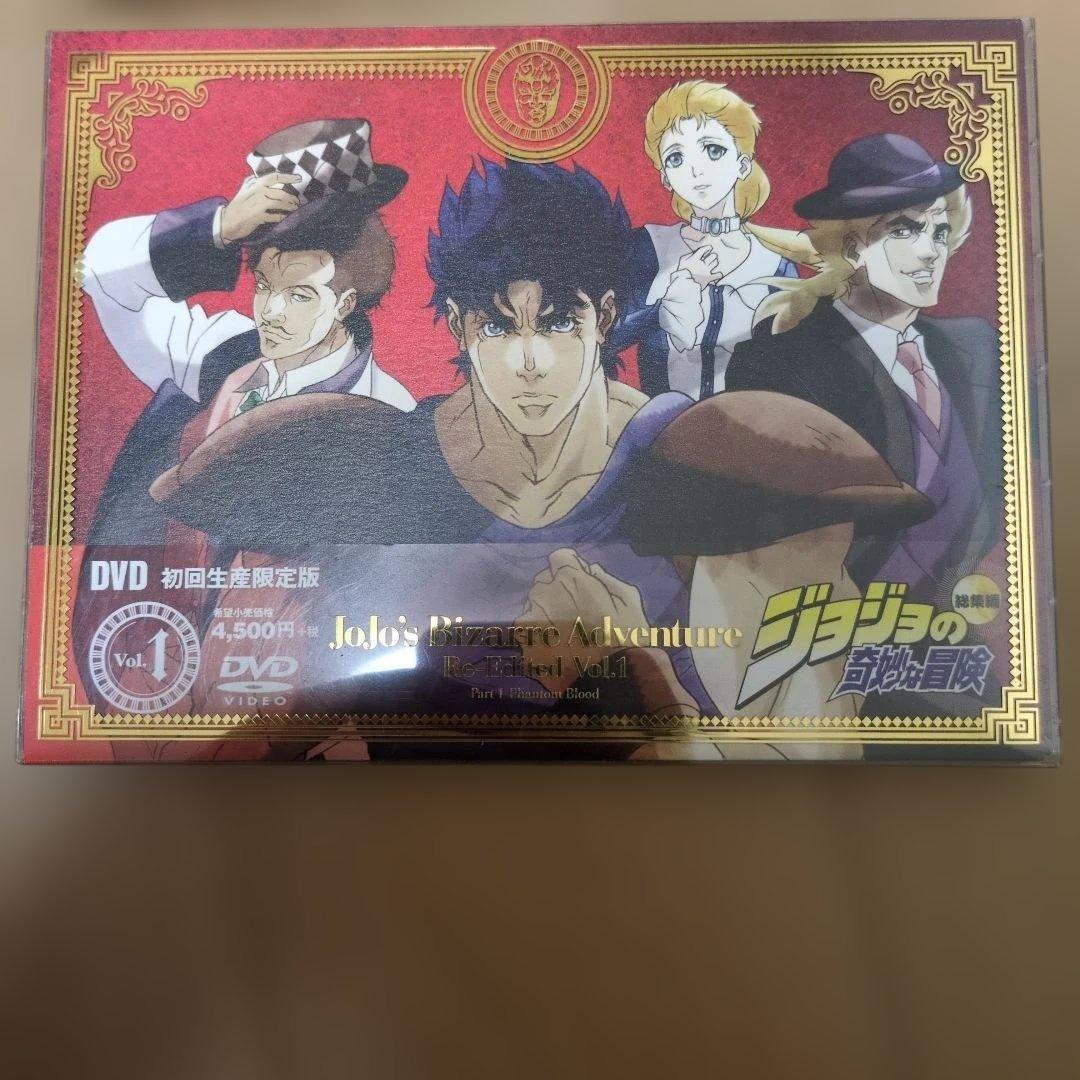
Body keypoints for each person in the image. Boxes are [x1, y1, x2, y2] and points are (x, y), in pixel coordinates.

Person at [148, 158, 929, 760]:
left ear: (606, 316)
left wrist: (641, 677)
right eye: (498, 328)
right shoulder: (376, 462)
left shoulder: (711, 463)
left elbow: (808, 772)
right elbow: (237, 742)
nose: (529, 362)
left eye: (556, 322)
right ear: (459, 328)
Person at [80, 117, 415, 545]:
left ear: (345, 304)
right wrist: (217, 227)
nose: (269, 313)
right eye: (263, 285)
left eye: (299, 295)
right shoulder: (220, 354)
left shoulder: (386, 411)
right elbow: (97, 270)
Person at [726, 133, 1002, 605]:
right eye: (903, 230)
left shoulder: (976, 348)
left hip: (962, 627)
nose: (930, 251)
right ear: (852, 248)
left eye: (938, 232)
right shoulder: (778, 366)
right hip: (833, 629)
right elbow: (768, 537)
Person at [612, 80, 815, 399]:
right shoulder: (650, 246)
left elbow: (796, 366)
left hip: (749, 423)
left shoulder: (775, 263)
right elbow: (605, 336)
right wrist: (673, 294)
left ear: (742, 164)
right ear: (665, 177)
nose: (695, 170)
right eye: (676, 158)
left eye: (713, 150)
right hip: (663, 421)